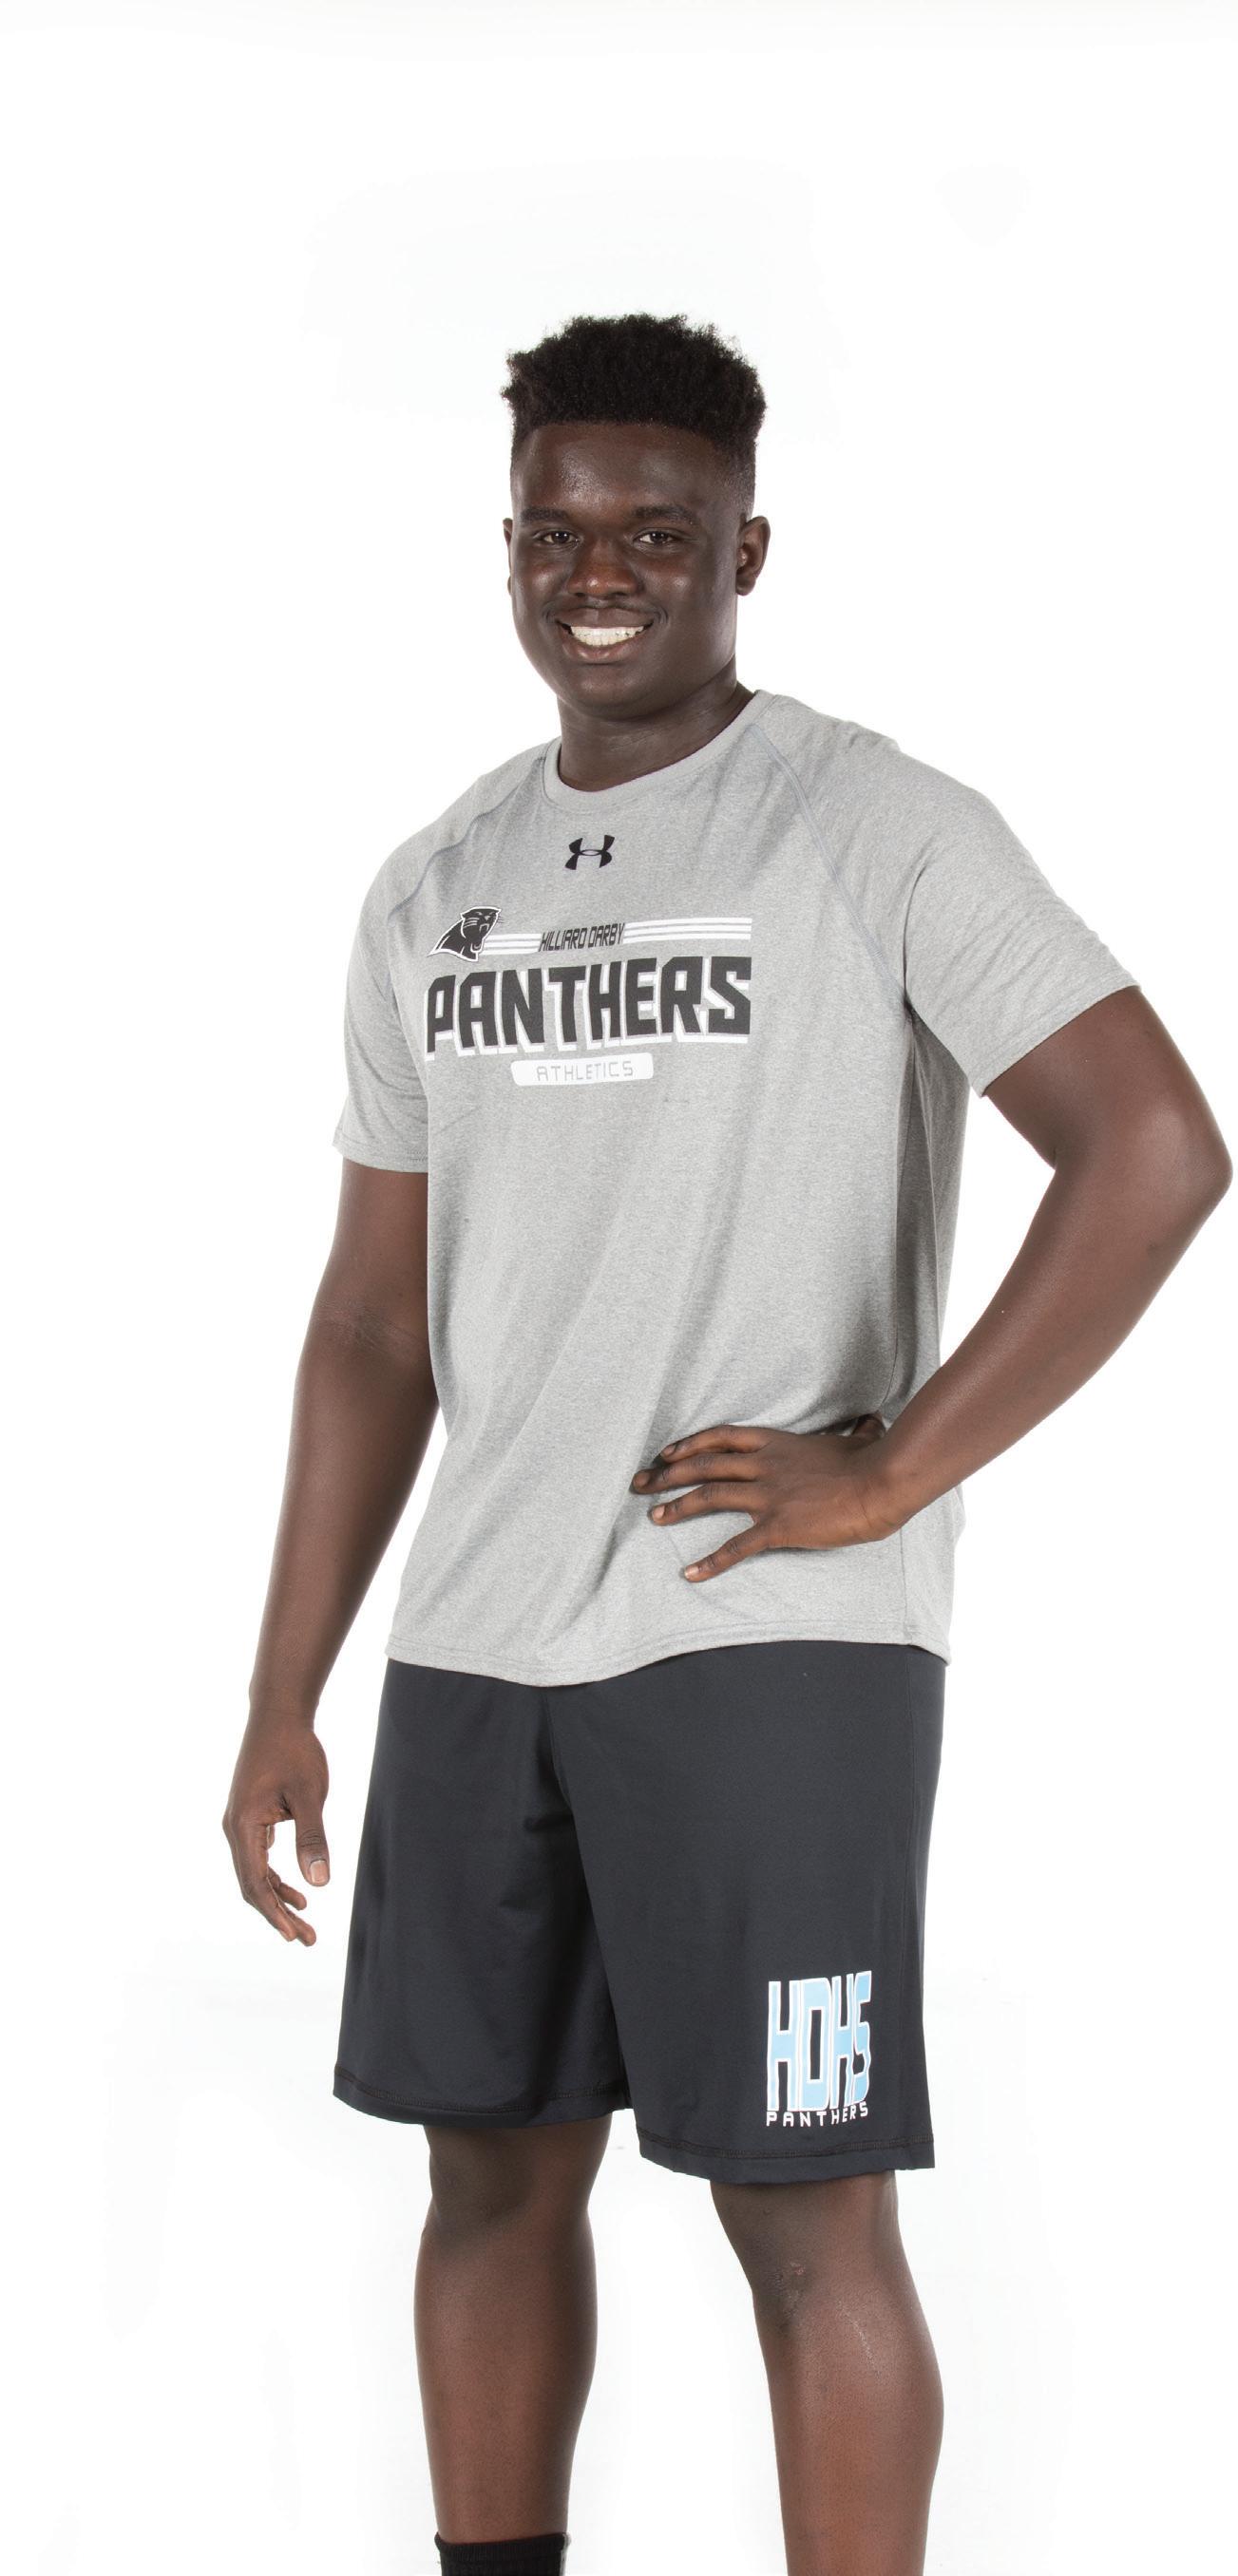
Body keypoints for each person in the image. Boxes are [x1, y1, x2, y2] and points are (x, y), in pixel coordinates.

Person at [223, 311, 1230, 2576]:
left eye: (657, 534)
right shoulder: (431, 881)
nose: (601, 573)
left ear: (743, 549)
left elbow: (1154, 1148)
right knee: (485, 2178)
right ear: (508, 546)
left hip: (764, 1638)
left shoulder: (870, 824)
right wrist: (288, 1684)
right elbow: (373, 1323)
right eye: (559, 532)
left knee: (801, 2205)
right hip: (479, 1638)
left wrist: (891, 1471)